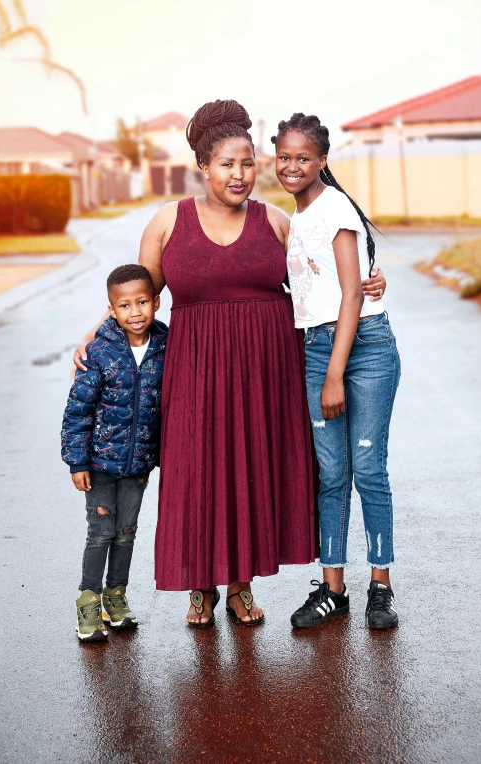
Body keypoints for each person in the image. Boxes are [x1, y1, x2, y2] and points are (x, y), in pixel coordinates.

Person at [74, 100, 387, 629]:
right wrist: (97, 333)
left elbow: (329, 276)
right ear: (203, 166)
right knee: (197, 475)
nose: (238, 175)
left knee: (248, 473)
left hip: (266, 372)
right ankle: (202, 588)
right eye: (226, 165)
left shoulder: (277, 222)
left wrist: (372, 283)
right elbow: (139, 298)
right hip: (193, 372)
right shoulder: (167, 222)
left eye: (246, 164)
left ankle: (240, 589)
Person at [272, 114, 401, 630]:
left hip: (363, 350)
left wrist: (332, 375)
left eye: (303, 158)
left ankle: (380, 588)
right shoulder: (298, 218)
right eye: (284, 157)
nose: (292, 166)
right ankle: (333, 590)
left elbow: (351, 293)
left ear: (322, 160)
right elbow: (312, 290)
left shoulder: (334, 207)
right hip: (318, 346)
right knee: (330, 476)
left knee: (368, 471)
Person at [62, 264, 168, 641]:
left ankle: (115, 596)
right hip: (100, 463)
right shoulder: (99, 353)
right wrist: (77, 462)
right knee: (101, 533)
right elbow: (78, 410)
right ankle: (88, 604)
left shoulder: (165, 346)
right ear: (112, 310)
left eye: (142, 302)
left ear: (156, 301)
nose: (135, 312)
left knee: (126, 532)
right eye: (125, 306)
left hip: (138, 464)